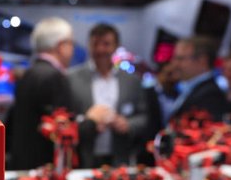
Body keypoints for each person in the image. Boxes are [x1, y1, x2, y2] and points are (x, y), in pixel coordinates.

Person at [68, 23, 148, 167]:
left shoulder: (131, 81)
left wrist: (128, 124)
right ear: (89, 46)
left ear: (116, 46)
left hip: (120, 156)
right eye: (95, 44)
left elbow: (144, 117)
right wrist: (87, 122)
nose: (100, 49)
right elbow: (65, 117)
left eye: (106, 44)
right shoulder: (72, 78)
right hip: (83, 157)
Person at [10, 17, 74, 170]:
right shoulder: (54, 77)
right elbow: (61, 130)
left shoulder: (29, 73)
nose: (72, 49)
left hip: (24, 161)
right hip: (44, 167)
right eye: (71, 43)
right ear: (61, 46)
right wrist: (91, 122)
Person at [169, 36, 229, 121]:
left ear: (202, 61)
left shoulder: (210, 96)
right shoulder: (193, 90)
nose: (174, 64)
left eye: (180, 59)